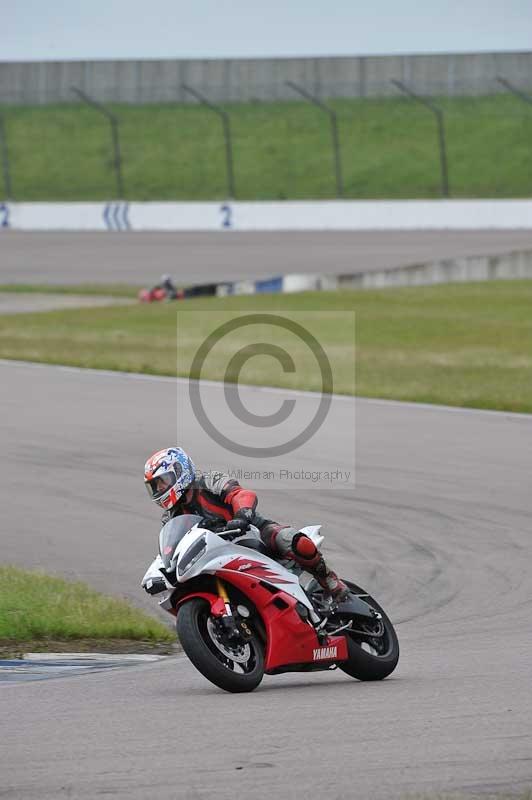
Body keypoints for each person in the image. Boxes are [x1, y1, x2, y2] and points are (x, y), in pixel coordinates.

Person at [143, 446, 349, 600]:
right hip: (214, 555)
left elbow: (240, 494)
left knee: (294, 541)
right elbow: (168, 548)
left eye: (163, 481)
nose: (160, 489)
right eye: (155, 486)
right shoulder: (171, 517)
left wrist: (241, 515)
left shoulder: (207, 481)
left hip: (251, 532)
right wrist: (157, 575)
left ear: (180, 471)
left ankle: (329, 580)